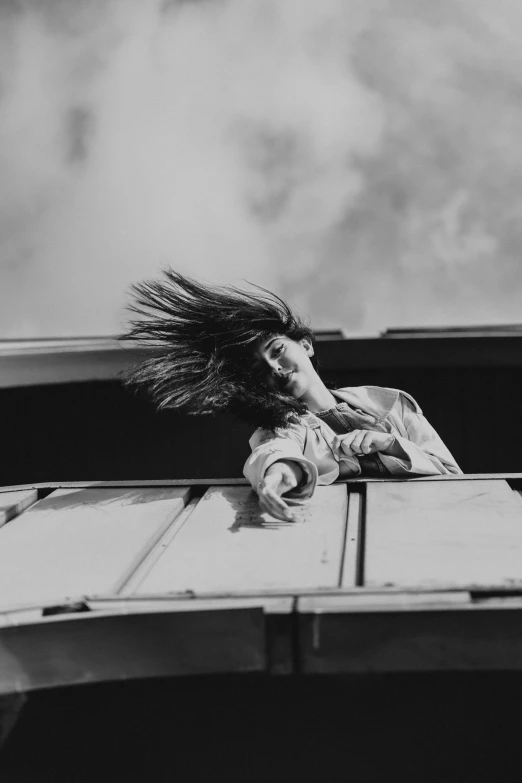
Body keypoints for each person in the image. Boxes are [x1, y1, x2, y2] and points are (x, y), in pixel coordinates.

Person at [122, 269, 461, 522]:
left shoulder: (391, 404)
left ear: (306, 345)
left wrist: (387, 444)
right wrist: (277, 477)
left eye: (277, 350)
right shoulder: (282, 428)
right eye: (260, 369)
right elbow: (275, 455)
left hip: (427, 532)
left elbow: (454, 477)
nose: (276, 368)